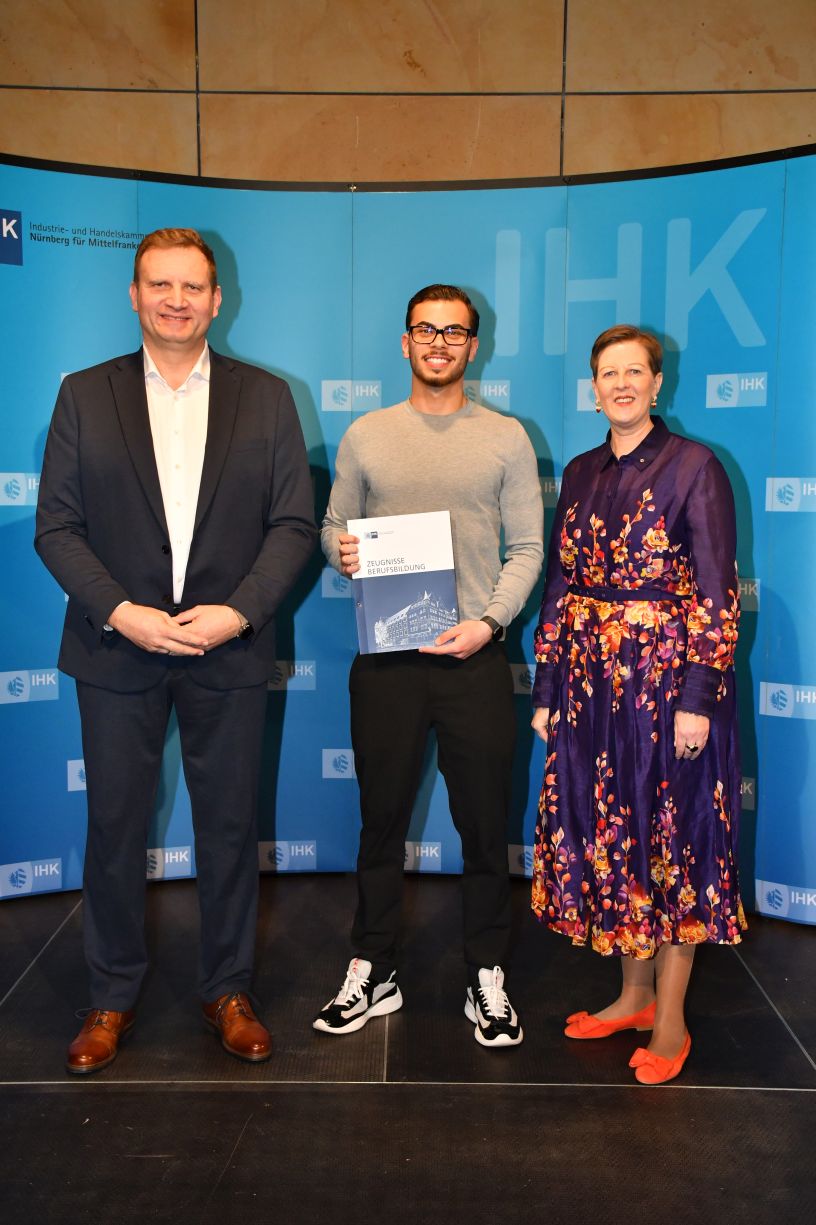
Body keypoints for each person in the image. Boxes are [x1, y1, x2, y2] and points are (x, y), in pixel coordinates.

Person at [35, 228, 316, 1074]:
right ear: (134, 295)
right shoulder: (84, 394)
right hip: (115, 648)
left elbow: (292, 524)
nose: (176, 300)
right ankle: (110, 995)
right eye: (159, 284)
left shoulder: (267, 397)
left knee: (229, 827)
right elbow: (57, 527)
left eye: (192, 286)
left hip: (226, 649)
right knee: (115, 827)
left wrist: (239, 613)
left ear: (217, 299)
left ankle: (228, 989)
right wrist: (122, 611)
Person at [314, 284, 543, 1047]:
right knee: (380, 821)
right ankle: (374, 966)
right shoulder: (367, 434)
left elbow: (528, 549)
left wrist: (489, 622)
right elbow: (333, 526)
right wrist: (341, 550)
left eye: (453, 331)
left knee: (483, 825)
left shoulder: (506, 437)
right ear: (405, 341)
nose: (438, 342)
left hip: (475, 657)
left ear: (474, 345)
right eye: (425, 329)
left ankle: (487, 973)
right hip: (387, 661)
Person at [531, 324, 746, 1084]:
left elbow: (716, 591)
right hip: (591, 689)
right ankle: (633, 996)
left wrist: (698, 699)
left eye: (635, 371)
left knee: (672, 842)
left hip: (668, 689)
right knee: (615, 837)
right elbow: (561, 584)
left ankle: (672, 1021)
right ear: (593, 389)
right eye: (608, 373)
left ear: (658, 383)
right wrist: (548, 687)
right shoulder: (581, 471)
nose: (621, 384)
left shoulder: (696, 466)